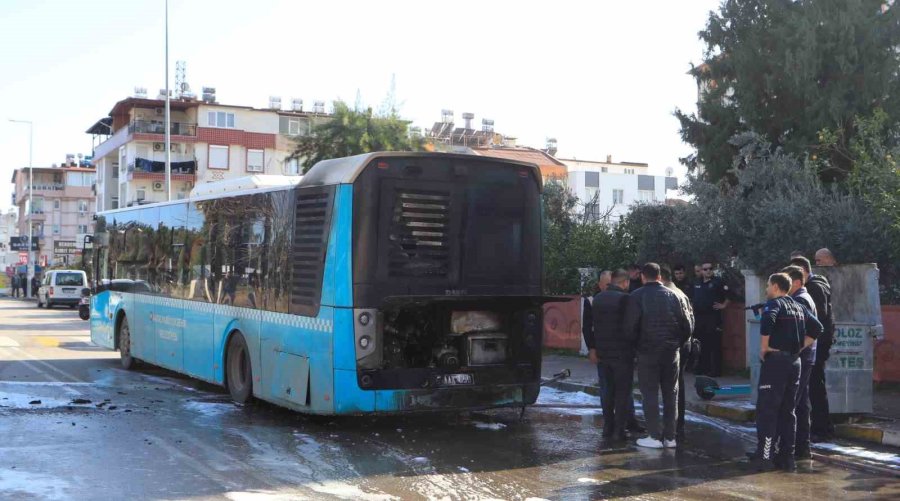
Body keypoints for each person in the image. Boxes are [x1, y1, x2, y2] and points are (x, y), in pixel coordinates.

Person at [748, 273, 822, 472]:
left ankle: (765, 457)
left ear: (775, 286)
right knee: (788, 411)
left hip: (776, 362)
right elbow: (817, 328)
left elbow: (768, 320)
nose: (766, 289)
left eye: (768, 285)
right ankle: (787, 457)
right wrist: (799, 347)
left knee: (768, 410)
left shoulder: (774, 304)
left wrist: (764, 347)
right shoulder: (799, 306)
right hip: (794, 362)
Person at [624, 263, 694, 449]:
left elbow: (630, 328)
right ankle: (670, 437)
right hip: (671, 352)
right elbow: (687, 326)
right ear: (660, 277)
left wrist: (637, 347)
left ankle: (654, 436)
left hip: (647, 352)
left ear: (642, 277)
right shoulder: (675, 295)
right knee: (671, 393)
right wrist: (676, 344)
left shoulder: (636, 296)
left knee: (650, 393)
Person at [586, 270, 635, 440]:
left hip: (603, 353)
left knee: (607, 391)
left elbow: (592, 326)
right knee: (622, 392)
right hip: (622, 354)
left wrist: (594, 348)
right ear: (625, 282)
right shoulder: (626, 299)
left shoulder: (598, 299)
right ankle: (619, 430)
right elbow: (630, 327)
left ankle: (608, 426)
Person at [791, 255, 835, 441]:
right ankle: (816, 428)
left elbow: (818, 317)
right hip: (815, 341)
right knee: (811, 385)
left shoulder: (814, 288)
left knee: (815, 384)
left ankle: (822, 428)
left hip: (817, 342)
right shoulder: (814, 286)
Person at [781, 265, 817, 459]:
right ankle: (801, 448)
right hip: (804, 357)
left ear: (795, 282)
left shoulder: (801, 300)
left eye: (787, 281)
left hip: (801, 358)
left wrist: (796, 349)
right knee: (801, 404)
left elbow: (813, 330)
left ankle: (786, 449)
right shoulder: (801, 297)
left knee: (790, 403)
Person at [661, 266, 695, 439]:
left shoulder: (670, 295)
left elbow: (685, 325)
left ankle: (673, 424)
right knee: (676, 385)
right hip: (682, 344)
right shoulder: (680, 293)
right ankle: (677, 422)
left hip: (675, 345)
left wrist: (674, 343)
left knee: (672, 386)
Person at [691, 262, 729, 377]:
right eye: (705, 269)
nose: (708, 271)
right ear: (701, 271)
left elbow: (729, 295)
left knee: (714, 344)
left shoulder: (718, 282)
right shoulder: (696, 282)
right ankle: (703, 368)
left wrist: (724, 305)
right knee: (701, 343)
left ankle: (716, 370)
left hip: (713, 317)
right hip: (699, 317)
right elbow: (691, 298)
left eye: (710, 269)